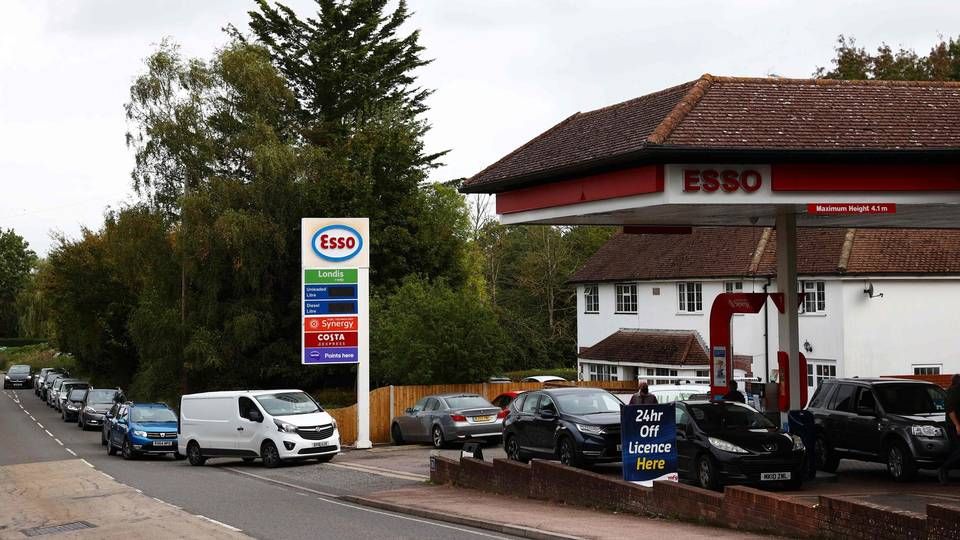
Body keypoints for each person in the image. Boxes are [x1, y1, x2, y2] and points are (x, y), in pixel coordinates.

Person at [938, 374, 960, 484]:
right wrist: (957, 425)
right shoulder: (954, 391)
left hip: (956, 425)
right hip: (954, 425)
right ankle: (944, 468)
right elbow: (950, 410)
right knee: (958, 450)